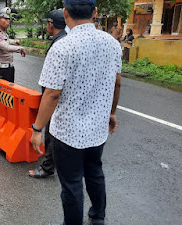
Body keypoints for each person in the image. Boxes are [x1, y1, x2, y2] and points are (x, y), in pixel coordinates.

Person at [30, 0, 122, 224]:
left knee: (71, 185)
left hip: (68, 133)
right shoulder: (112, 44)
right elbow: (117, 83)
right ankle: (98, 217)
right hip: (97, 129)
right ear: (95, 12)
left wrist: (37, 128)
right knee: (95, 173)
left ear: (65, 13)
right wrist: (111, 113)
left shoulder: (63, 46)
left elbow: (52, 94)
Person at [28, 9, 67, 179]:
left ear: (51, 25)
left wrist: (37, 128)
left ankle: (48, 167)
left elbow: (52, 92)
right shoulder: (66, 39)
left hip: (56, 99)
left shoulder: (60, 44)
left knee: (50, 132)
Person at [0, 8, 26, 83]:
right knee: (3, 93)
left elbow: (6, 41)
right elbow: (7, 47)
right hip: (2, 70)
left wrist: (15, 42)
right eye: (5, 19)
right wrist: (20, 49)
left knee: (10, 92)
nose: (8, 21)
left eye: (8, 19)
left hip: (9, 68)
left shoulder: (2, 33)